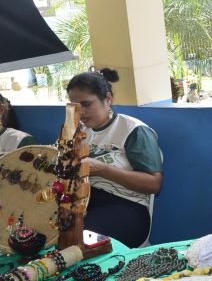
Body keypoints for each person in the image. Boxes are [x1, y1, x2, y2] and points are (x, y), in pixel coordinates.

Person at [66, 69, 163, 248]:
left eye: (87, 104)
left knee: (76, 240)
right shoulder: (80, 132)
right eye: (75, 107)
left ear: (107, 99)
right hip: (85, 201)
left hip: (126, 206)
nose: (81, 112)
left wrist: (103, 169)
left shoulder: (133, 130)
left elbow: (154, 184)